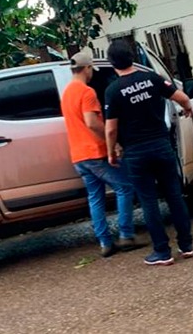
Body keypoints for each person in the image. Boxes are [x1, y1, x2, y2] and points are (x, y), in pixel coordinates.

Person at [103, 40, 193, 266]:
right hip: (161, 146)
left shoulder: (113, 91)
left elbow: (111, 128)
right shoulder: (152, 78)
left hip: (136, 153)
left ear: (112, 63)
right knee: (174, 196)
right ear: (132, 57)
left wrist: (111, 152)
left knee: (149, 202)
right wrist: (188, 109)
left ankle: (163, 253)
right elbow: (182, 97)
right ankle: (186, 245)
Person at [60, 49, 144, 258]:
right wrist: (113, 143)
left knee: (95, 197)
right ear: (87, 68)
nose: (92, 74)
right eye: (91, 70)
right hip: (94, 152)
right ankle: (126, 235)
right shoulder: (86, 92)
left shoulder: (67, 93)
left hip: (78, 156)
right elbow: (91, 122)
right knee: (124, 187)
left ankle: (105, 242)